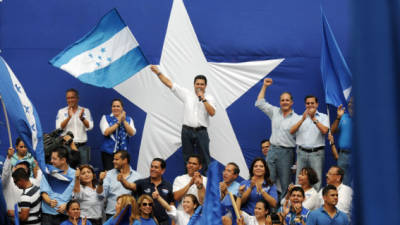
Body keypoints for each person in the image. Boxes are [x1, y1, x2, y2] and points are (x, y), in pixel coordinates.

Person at [150, 65, 216, 172]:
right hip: (187, 131)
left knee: (204, 158)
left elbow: (212, 113)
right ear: (194, 85)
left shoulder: (210, 98)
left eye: (202, 84)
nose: (199, 86)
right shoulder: (187, 94)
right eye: (197, 84)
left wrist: (203, 99)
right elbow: (169, 83)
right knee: (187, 159)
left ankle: (205, 183)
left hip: (201, 132)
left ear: (206, 86)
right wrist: (158, 73)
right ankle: (188, 181)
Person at [255, 78, 299, 199]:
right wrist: (264, 86)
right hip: (272, 150)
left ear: (292, 102)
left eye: (287, 100)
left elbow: (300, 141)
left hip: (287, 153)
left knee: (285, 184)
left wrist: (297, 161)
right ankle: (269, 209)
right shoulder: (274, 112)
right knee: (268, 180)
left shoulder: (297, 118)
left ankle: (282, 212)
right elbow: (259, 103)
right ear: (280, 102)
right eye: (282, 100)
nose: (284, 102)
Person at [290, 95, 329, 190]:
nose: (310, 105)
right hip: (301, 153)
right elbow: (291, 131)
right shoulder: (299, 117)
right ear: (305, 105)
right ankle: (298, 202)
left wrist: (313, 119)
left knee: (316, 180)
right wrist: (303, 119)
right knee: (299, 180)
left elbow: (325, 131)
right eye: (308, 103)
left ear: (317, 104)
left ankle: (314, 204)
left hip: (317, 153)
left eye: (312, 103)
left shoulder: (324, 117)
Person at [118, 158, 173, 225]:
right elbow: (130, 186)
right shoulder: (142, 183)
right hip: (145, 222)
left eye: (156, 167)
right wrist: (122, 180)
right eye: (152, 166)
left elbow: (171, 206)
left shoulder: (168, 186)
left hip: (164, 222)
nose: (152, 169)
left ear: (163, 170)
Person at [98, 150, 142, 219]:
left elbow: (140, 197)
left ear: (125, 160)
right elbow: (101, 196)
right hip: (112, 214)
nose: (113, 161)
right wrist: (100, 182)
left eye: (116, 159)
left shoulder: (138, 177)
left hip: (130, 215)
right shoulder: (109, 174)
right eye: (113, 159)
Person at [2, 147, 41, 222]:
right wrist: (9, 158)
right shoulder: (8, 181)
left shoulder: (34, 182)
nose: (21, 171)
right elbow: (5, 174)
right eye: (19, 168)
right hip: (10, 221)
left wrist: (13, 213)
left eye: (24, 169)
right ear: (13, 169)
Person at [56, 88, 93, 165]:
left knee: (83, 170)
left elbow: (90, 127)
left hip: (82, 147)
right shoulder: (61, 111)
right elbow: (59, 128)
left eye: (72, 97)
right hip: (67, 147)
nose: (70, 100)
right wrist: (68, 117)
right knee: (68, 172)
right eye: (68, 98)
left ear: (77, 98)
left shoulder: (85, 111)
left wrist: (82, 118)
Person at [40, 147, 76, 225]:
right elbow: (44, 193)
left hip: (66, 216)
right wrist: (49, 201)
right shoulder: (48, 173)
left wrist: (67, 206)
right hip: (47, 216)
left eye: (54, 159)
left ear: (63, 160)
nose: (51, 161)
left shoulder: (75, 175)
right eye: (51, 158)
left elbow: (77, 195)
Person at [100, 99, 136, 171]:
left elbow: (132, 133)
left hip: (123, 154)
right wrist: (118, 121)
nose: (116, 108)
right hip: (109, 153)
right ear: (111, 108)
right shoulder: (106, 118)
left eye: (118, 106)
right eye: (114, 106)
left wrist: (124, 121)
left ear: (122, 108)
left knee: (123, 173)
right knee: (109, 174)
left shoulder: (129, 119)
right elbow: (106, 132)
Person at [330, 98, 353, 186]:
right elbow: (332, 130)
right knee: (343, 184)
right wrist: (338, 118)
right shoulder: (343, 117)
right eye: (349, 103)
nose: (350, 104)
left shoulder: (363, 120)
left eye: (353, 102)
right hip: (343, 156)